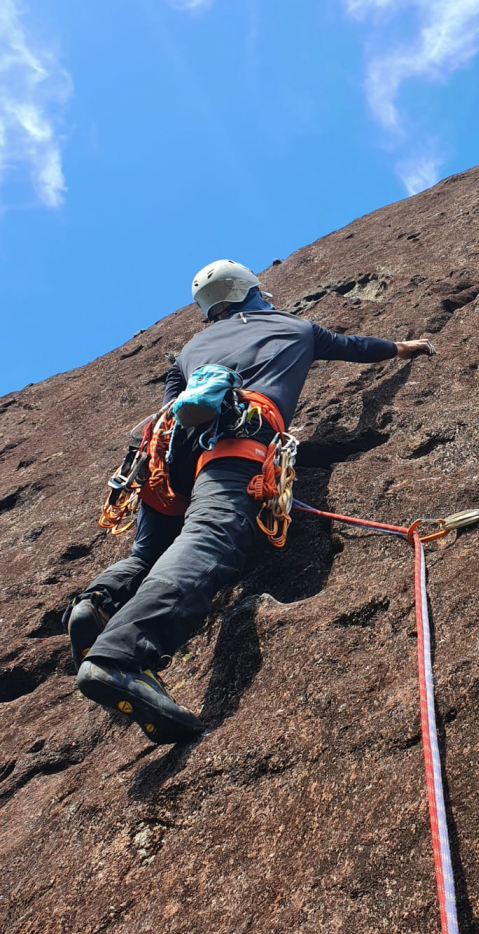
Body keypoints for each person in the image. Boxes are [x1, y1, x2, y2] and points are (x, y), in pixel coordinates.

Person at [70, 259, 433, 744]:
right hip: (236, 438)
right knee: (210, 538)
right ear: (251, 289)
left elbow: (170, 403)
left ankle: (99, 602)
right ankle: (122, 656)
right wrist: (403, 347)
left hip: (165, 450)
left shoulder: (192, 347)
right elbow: (356, 348)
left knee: (147, 553)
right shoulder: (295, 327)